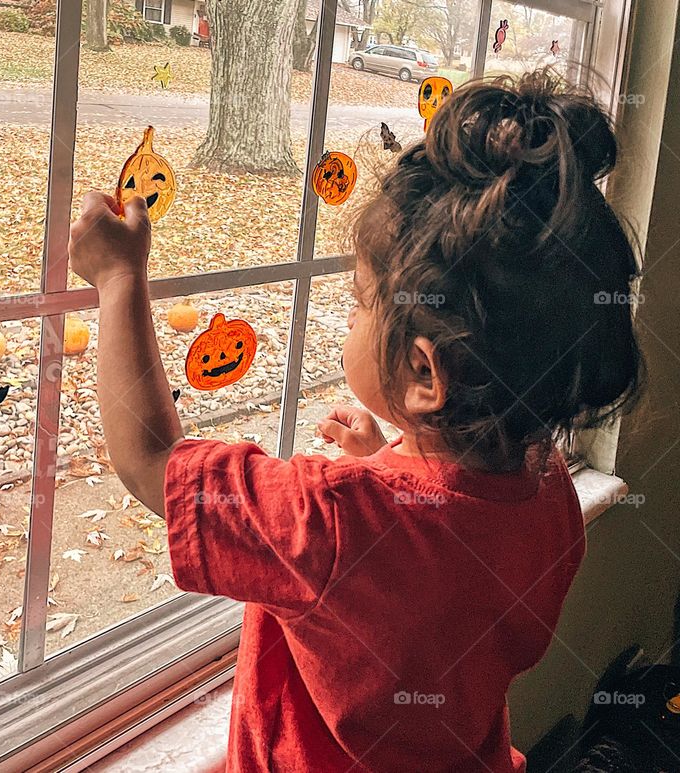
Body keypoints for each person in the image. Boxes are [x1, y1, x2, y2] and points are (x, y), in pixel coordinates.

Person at [67, 70, 644, 772]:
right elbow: (441, 566)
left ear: (428, 376)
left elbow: (151, 458)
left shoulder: (329, 521)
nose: (350, 316)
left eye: (360, 300)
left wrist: (119, 278)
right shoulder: (547, 486)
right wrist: (389, 465)